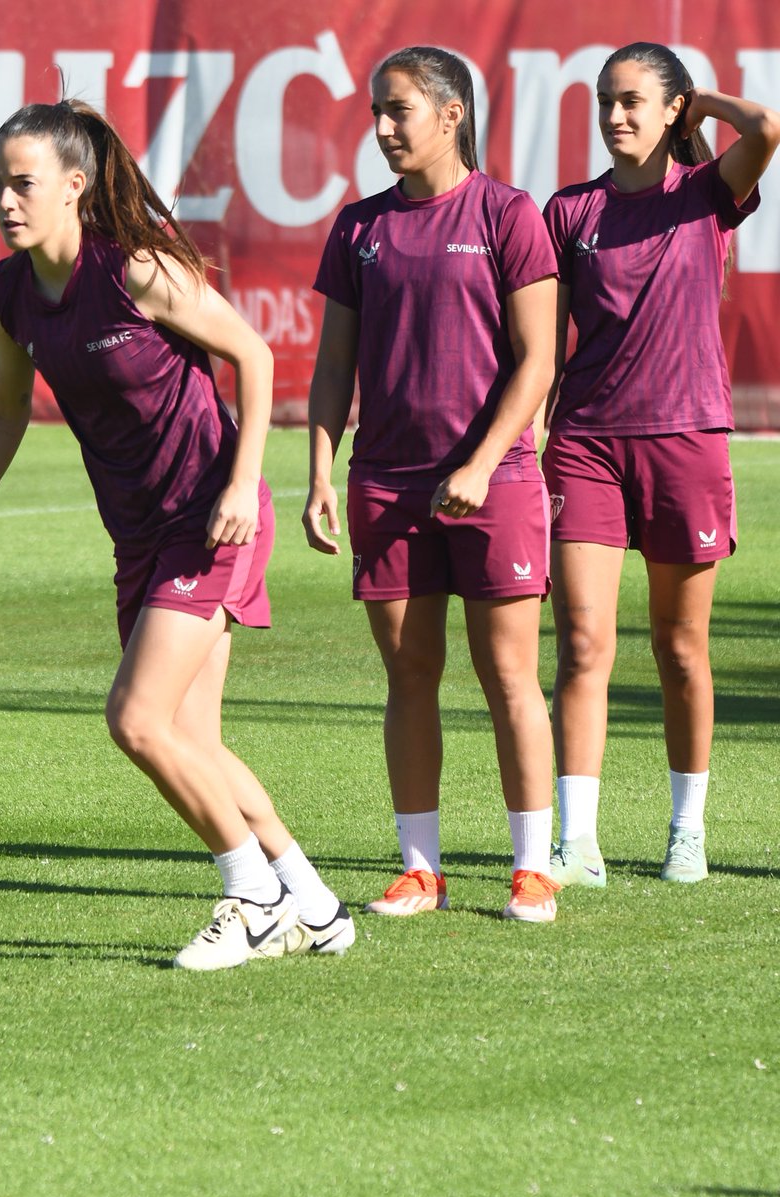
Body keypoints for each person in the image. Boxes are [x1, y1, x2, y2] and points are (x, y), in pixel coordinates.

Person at [0, 99, 354, 969]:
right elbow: (5, 415)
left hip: (210, 519)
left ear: (75, 187)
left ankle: (251, 895)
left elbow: (255, 358)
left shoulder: (137, 269)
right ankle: (314, 900)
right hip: (140, 535)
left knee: (136, 719)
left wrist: (240, 482)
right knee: (191, 742)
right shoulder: (12, 292)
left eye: (23, 183)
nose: (5, 199)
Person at [304, 46, 561, 922]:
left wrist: (482, 466)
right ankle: (421, 869)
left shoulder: (508, 213)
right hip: (386, 483)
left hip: (498, 483)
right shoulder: (357, 228)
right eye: (375, 111)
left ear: (451, 114)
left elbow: (539, 362)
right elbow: (333, 365)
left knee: (509, 678)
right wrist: (318, 477)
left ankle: (533, 868)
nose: (380, 128)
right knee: (409, 677)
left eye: (398, 110)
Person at [543, 43, 780, 887]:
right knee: (582, 646)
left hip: (687, 440)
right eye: (606, 100)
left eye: (635, 101)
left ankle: (686, 832)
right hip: (587, 446)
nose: (615, 116)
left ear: (671, 109)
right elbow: (543, 348)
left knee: (680, 649)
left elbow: (768, 126)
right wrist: (529, 435)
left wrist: (696, 104)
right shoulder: (568, 211)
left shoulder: (711, 193)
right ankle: (579, 843)